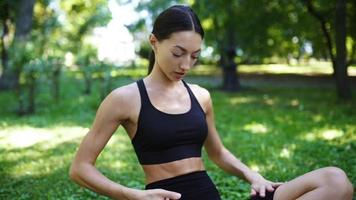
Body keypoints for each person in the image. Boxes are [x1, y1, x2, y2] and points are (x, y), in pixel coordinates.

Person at [69, 5, 354, 200]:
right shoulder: (125, 98)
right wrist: (131, 194)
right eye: (178, 53)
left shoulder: (200, 96)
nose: (186, 65)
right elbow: (80, 167)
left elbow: (217, 153)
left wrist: (252, 175)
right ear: (154, 42)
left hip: (209, 194)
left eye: (194, 56)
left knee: (336, 180)